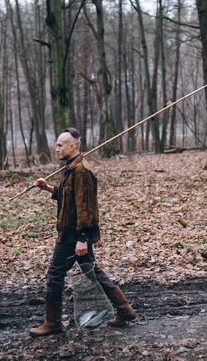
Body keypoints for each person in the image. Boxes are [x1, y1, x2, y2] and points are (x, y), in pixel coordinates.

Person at [29, 127, 136, 337]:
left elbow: (85, 207)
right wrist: (49, 188)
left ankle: (53, 323)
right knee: (92, 271)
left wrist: (82, 239)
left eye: (60, 145)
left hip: (73, 235)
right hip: (72, 233)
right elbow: (67, 196)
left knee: (55, 275)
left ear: (72, 146)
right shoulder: (71, 168)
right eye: (56, 144)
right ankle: (125, 310)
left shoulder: (82, 171)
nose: (56, 149)